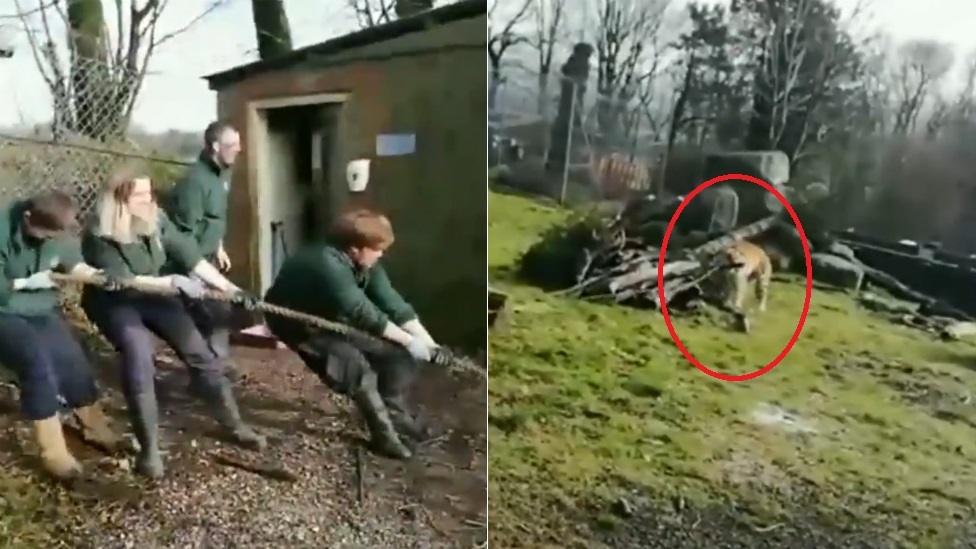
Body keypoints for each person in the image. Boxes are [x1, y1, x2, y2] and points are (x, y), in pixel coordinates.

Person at [80, 168, 264, 479]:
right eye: (140, 195)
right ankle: (150, 448)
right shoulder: (99, 234)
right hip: (115, 303)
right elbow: (125, 281)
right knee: (139, 357)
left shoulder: (156, 219)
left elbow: (192, 258)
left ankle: (236, 426)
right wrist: (172, 281)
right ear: (120, 199)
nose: (148, 199)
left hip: (157, 295)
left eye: (149, 193)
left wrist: (231, 291)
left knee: (200, 354)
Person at [263, 208, 439, 460]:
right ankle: (384, 438)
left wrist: (429, 344)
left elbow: (392, 304)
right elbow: (363, 313)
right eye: (376, 248)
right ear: (355, 248)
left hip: (332, 318)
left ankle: (397, 418)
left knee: (397, 357)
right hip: (301, 325)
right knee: (357, 371)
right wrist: (411, 341)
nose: (381, 254)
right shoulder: (326, 264)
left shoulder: (365, 264)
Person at [0, 190, 121, 479]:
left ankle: (94, 427)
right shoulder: (3, 229)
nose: (47, 240)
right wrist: (25, 283)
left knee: (71, 358)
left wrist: (96, 276)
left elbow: (73, 264)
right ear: (27, 217)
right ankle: (53, 452)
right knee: (35, 361)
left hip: (41, 309)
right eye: (43, 233)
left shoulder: (59, 228)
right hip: (4, 310)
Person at [164, 121, 244, 382]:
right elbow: (183, 234)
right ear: (215, 147)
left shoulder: (222, 174)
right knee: (213, 313)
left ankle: (214, 366)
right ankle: (210, 372)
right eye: (233, 145)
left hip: (209, 256)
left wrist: (219, 247)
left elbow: (212, 218)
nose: (239, 149)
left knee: (218, 313)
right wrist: (197, 270)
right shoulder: (194, 183)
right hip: (191, 262)